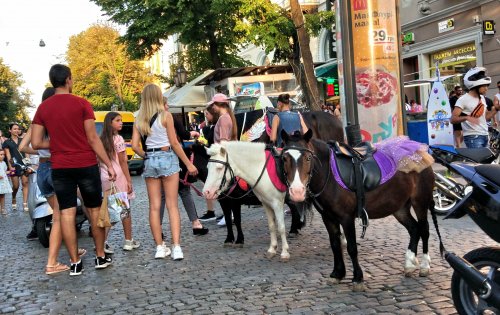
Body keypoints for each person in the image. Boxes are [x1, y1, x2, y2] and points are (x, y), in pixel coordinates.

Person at [31, 64, 117, 276]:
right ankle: (99, 256)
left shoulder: (43, 108)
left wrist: (58, 144)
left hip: (60, 167)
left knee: (66, 214)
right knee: (94, 211)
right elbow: (92, 138)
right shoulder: (82, 104)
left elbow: (35, 142)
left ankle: (75, 263)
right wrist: (107, 163)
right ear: (68, 79)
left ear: (53, 82)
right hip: (85, 164)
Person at [131, 83, 198, 260]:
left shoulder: (139, 119)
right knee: (172, 205)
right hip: (167, 157)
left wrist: (146, 154)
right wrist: (189, 164)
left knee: (154, 207)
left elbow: (134, 145)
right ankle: (176, 247)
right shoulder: (166, 116)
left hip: (150, 161)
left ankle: (160, 247)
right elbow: (175, 143)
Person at [159, 97, 208, 236]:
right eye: (166, 104)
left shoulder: (147, 119)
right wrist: (193, 133)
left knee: (162, 196)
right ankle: (196, 223)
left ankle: (159, 228)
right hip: (176, 158)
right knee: (184, 191)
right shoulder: (170, 117)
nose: (168, 106)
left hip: (157, 159)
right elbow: (184, 135)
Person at [99, 112, 140, 252]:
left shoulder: (100, 140)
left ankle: (101, 242)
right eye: (118, 120)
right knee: (123, 210)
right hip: (118, 177)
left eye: (121, 120)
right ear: (110, 123)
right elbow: (123, 161)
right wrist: (129, 180)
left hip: (105, 177)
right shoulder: (118, 139)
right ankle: (128, 241)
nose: (121, 123)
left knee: (111, 209)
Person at [205, 93, 238, 227]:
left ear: (218, 105)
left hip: (222, 158)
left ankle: (228, 214)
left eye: (213, 104)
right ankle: (228, 214)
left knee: (223, 187)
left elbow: (223, 142)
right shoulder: (227, 117)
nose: (212, 106)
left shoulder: (223, 119)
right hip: (224, 157)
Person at [451, 67, 497, 148]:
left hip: (485, 135)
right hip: (473, 137)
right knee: (479, 160)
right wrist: (467, 117)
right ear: (476, 85)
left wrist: (496, 109)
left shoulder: (482, 98)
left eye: (487, 85)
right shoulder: (463, 99)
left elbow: (486, 117)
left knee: (486, 161)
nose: (487, 88)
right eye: (484, 86)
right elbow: (453, 119)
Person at [198, 104, 221, 222]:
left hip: (216, 160)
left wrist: (202, 141)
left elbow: (211, 144)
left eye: (207, 114)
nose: (206, 116)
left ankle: (219, 212)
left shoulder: (217, 127)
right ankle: (211, 211)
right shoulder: (211, 127)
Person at [2, 123, 29, 211]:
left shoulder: (23, 140)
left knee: (25, 183)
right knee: (16, 186)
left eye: (18, 129)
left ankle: (25, 203)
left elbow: (27, 152)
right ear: (10, 130)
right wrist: (11, 167)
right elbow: (8, 155)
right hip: (14, 165)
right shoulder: (7, 142)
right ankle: (14, 197)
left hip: (24, 164)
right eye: (14, 129)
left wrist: (28, 164)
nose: (17, 130)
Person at [0, 149, 12, 215]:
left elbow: (4, 171)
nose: (2, 156)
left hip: (2, 183)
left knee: (2, 196)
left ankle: (3, 208)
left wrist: (9, 172)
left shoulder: (4, 163)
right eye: (1, 154)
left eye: (3, 154)